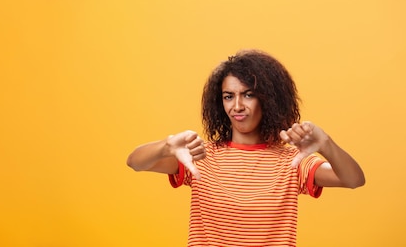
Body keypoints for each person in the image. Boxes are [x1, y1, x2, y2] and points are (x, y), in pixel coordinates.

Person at [126, 49, 365, 246]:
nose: (237, 106)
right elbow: (135, 162)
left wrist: (325, 144)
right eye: (228, 96)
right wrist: (166, 146)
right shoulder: (200, 156)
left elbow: (354, 179)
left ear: (268, 100)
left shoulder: (292, 161)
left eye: (248, 95)